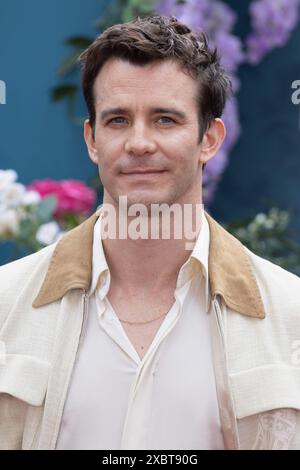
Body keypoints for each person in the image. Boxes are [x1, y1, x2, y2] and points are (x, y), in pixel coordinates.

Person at [0, 14, 300, 451]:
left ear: (209, 139)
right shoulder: (7, 305)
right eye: (118, 120)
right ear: (92, 139)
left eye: (165, 119)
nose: (139, 143)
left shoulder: (290, 315)